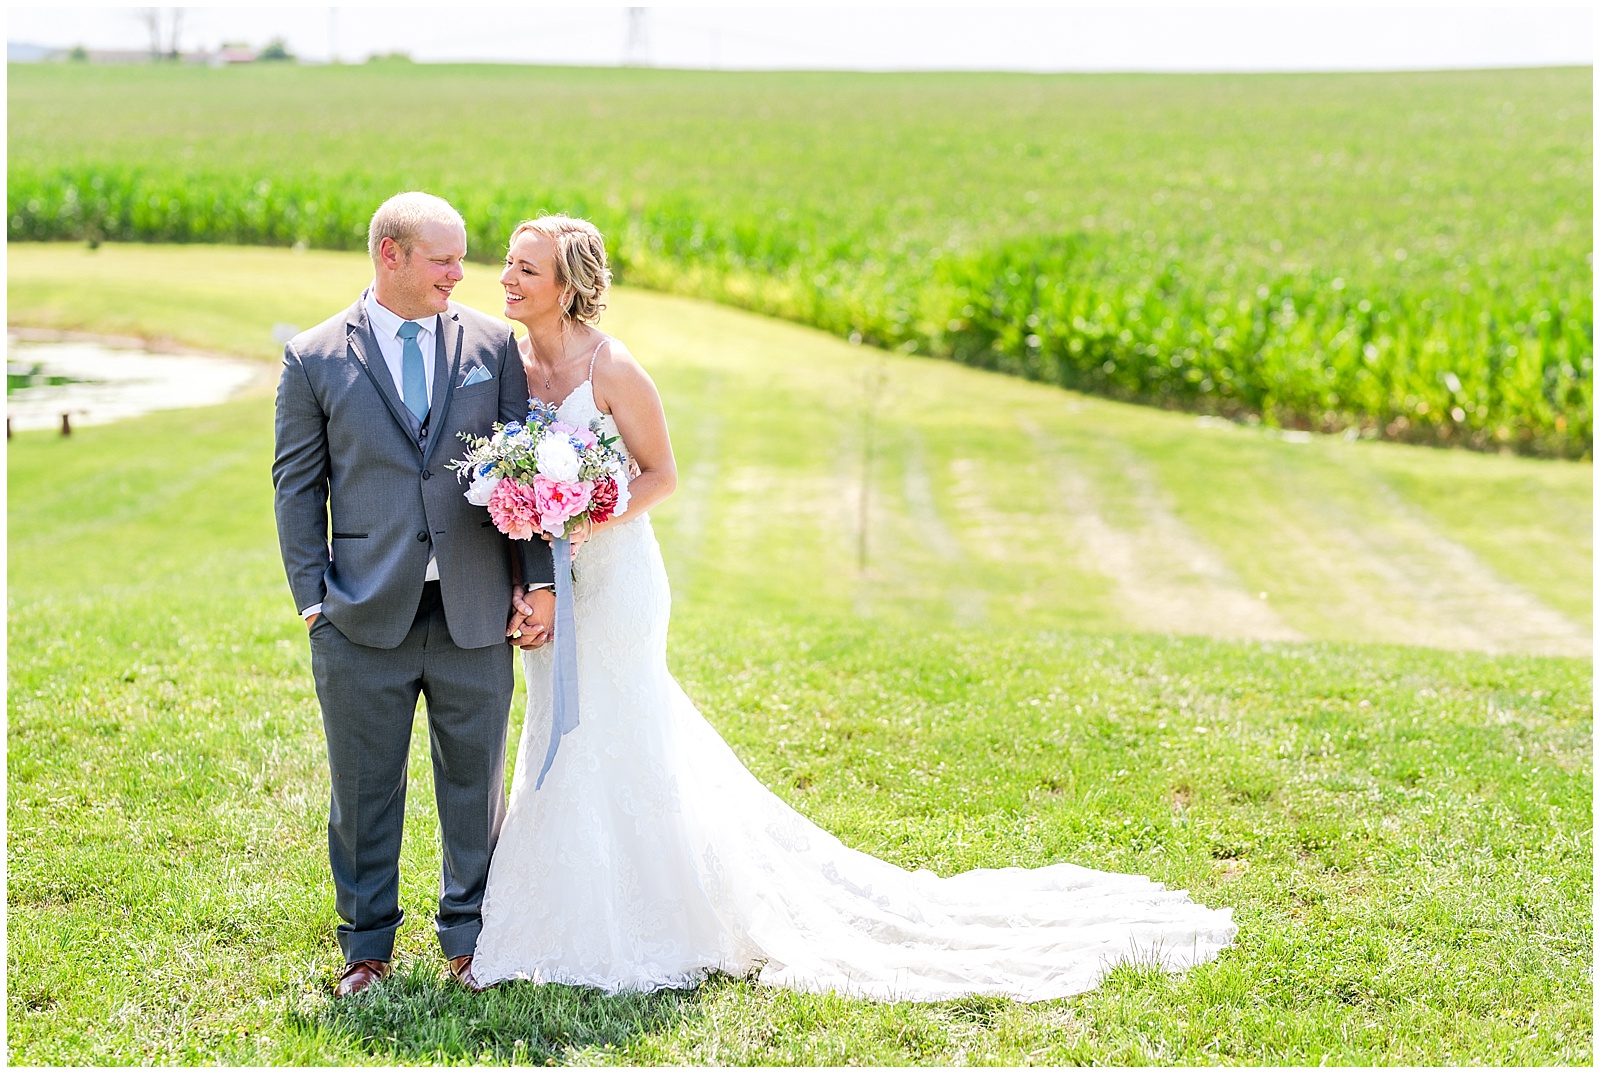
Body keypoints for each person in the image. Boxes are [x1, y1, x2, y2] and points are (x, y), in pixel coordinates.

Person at [471, 215, 1237, 1002]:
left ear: (569, 287)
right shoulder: (508, 364)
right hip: (553, 587)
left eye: (528, 269)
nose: (508, 278)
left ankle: (657, 917)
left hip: (618, 580)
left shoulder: (614, 367)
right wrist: (536, 537)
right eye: (509, 263)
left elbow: (662, 474)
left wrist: (583, 516)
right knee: (559, 721)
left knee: (615, 723)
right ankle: (565, 911)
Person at [272, 191, 556, 998]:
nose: (461, 275)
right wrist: (312, 602)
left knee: (477, 784)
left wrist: (532, 580)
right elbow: (297, 489)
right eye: (443, 259)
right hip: (361, 615)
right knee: (364, 790)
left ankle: (471, 941)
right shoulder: (314, 356)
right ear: (390, 255)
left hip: (473, 610)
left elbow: (520, 472)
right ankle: (366, 949)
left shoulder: (493, 345)